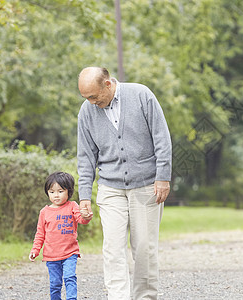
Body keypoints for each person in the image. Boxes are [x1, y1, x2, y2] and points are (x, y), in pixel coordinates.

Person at [76, 67, 172, 300]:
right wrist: (84, 197)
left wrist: (163, 177)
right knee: (112, 248)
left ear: (108, 85)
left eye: (93, 96)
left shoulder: (141, 95)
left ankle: (145, 297)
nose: (90, 102)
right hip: (111, 187)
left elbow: (162, 137)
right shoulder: (87, 112)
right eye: (85, 97)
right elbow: (86, 157)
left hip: (147, 184)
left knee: (144, 249)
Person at [29, 171, 92, 300]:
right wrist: (35, 250)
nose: (56, 195)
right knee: (55, 284)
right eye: (52, 192)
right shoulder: (44, 212)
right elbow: (40, 234)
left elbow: (81, 220)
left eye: (60, 191)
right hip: (51, 256)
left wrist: (86, 216)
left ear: (69, 191)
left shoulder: (72, 206)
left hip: (70, 253)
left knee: (69, 278)